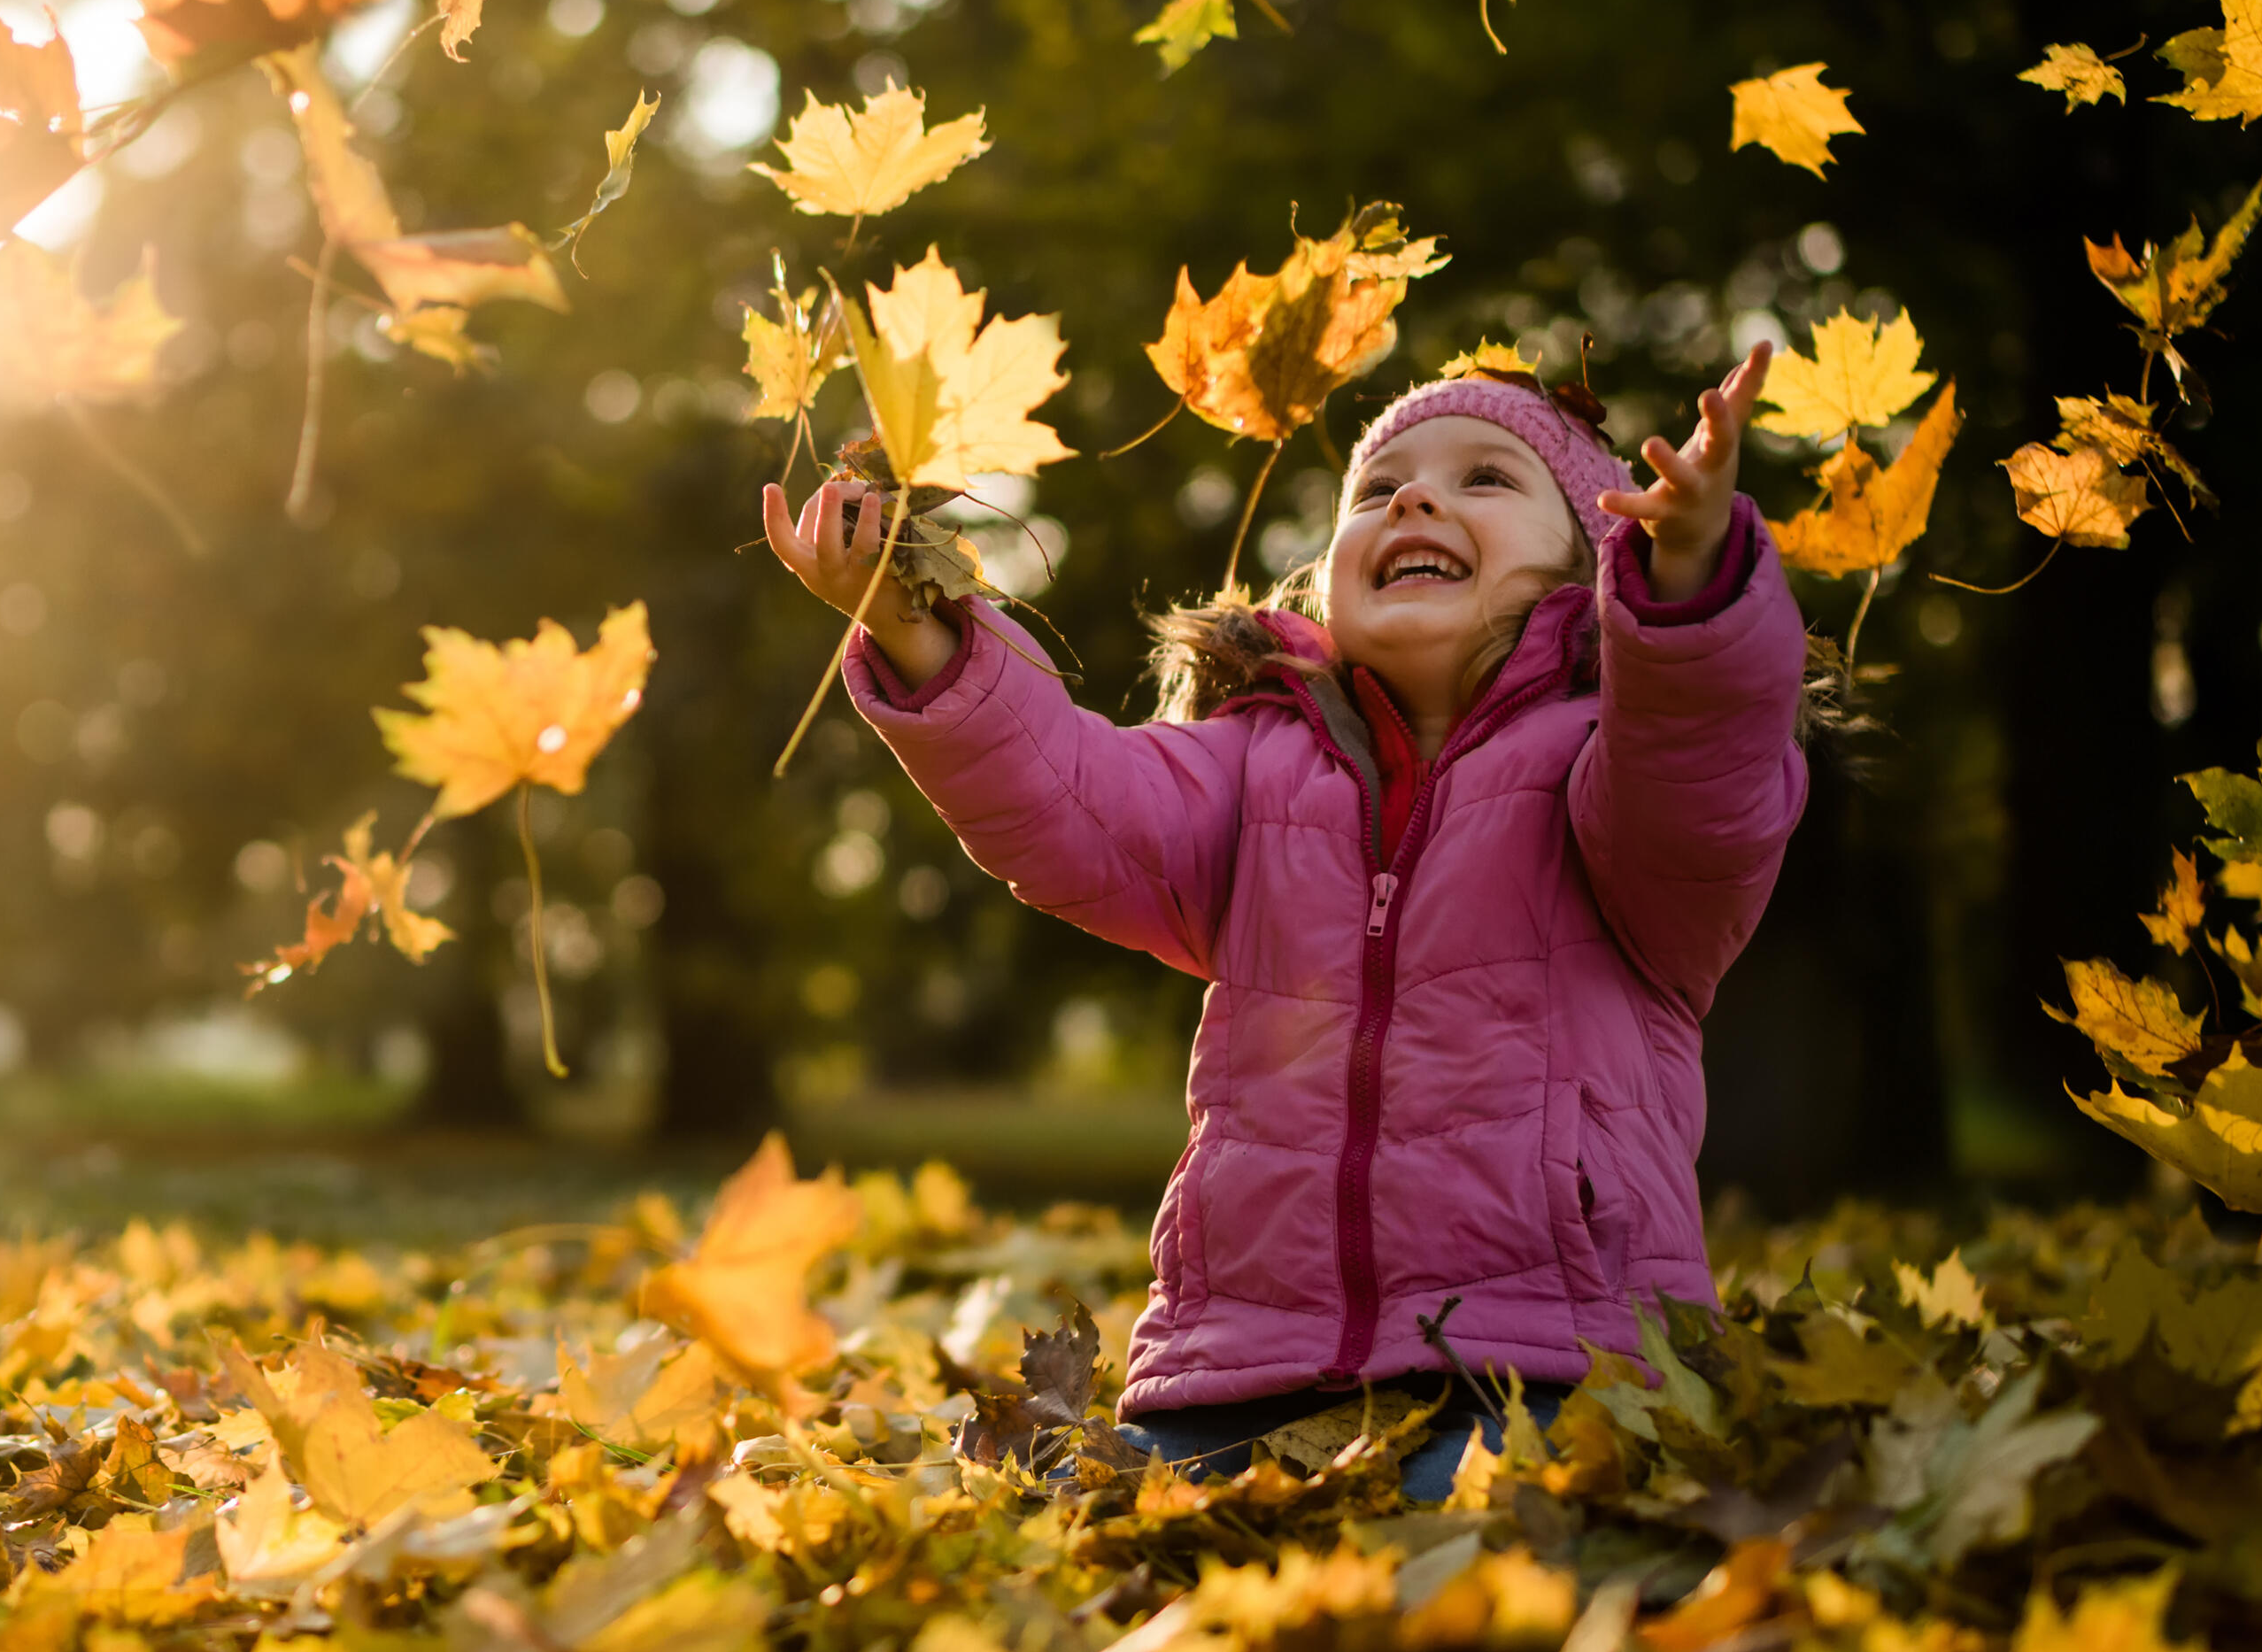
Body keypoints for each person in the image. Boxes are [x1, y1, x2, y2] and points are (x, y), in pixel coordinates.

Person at [760, 343, 1803, 1501]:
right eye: (1376, 491)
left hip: (1545, 1359)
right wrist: (915, 629)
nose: (1416, 497)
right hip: (1248, 1367)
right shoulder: (1258, 763)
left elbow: (1705, 764)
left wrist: (1696, 586)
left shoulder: (1612, 771)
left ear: (1592, 565)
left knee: (1475, 1536)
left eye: (1486, 480)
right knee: (1096, 1520)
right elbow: (1072, 802)